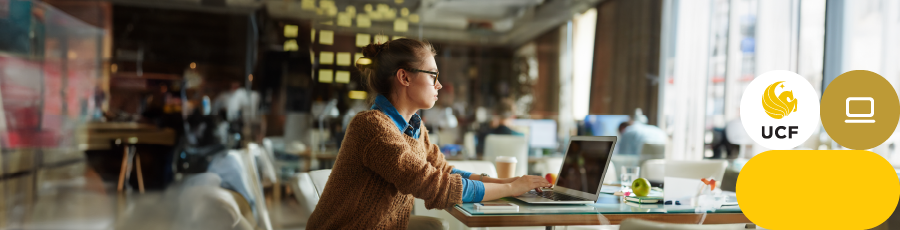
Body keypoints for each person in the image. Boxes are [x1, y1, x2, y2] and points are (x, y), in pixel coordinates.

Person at [306, 38, 551, 229]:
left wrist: (509, 182)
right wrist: (511, 189)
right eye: (433, 75)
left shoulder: (414, 127)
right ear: (404, 77)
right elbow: (435, 186)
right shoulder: (372, 126)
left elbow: (444, 171)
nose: (439, 84)